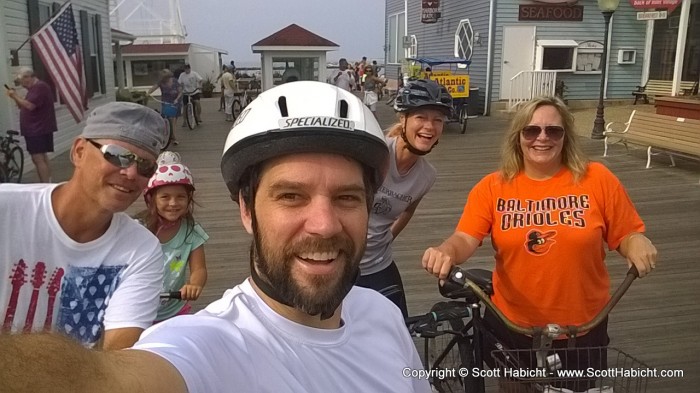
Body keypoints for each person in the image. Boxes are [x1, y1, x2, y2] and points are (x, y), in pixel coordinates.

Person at [0, 81, 430, 393]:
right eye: (291, 196)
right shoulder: (208, 345)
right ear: (246, 210)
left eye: (347, 197)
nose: (324, 223)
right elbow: (107, 381)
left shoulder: (383, 316)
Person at [422, 96, 658, 389]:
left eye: (553, 131)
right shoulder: (492, 187)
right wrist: (446, 251)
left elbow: (626, 233)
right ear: (517, 137)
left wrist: (636, 242)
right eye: (531, 131)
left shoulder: (597, 179)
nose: (542, 138)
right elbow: (465, 238)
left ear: (566, 136)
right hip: (512, 325)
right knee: (514, 388)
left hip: (583, 328)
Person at [0, 101, 168, 350]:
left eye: (145, 166)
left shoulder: (140, 249)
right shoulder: (6, 209)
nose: (131, 173)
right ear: (79, 151)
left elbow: (117, 355)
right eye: (118, 155)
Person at [356, 79, 452, 318]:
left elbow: (408, 210)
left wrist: (389, 237)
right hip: (341, 264)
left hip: (378, 263)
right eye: (421, 117)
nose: (429, 126)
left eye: (438, 120)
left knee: (398, 329)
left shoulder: (427, 175)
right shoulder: (374, 154)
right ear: (403, 119)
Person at [135, 151, 209, 322]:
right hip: (138, 309)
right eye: (165, 197)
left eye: (180, 197)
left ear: (189, 199)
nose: (173, 203)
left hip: (174, 309)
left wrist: (194, 284)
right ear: (151, 199)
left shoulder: (191, 231)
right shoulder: (138, 229)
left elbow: (199, 268)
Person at [5, 67, 57, 182]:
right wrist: (15, 97)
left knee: (37, 158)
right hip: (37, 128)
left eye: (22, 81)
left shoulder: (40, 87)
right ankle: (48, 182)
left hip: (37, 129)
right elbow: (23, 105)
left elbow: (30, 106)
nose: (22, 85)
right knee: (42, 156)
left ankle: (44, 186)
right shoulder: (34, 89)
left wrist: (14, 95)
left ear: (28, 77)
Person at [148, 69, 182, 145]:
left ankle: (174, 137)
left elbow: (180, 91)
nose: (166, 79)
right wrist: (148, 93)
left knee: (173, 121)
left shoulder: (175, 81)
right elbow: (153, 88)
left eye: (167, 77)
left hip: (175, 103)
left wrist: (177, 99)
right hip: (165, 102)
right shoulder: (161, 82)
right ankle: (167, 136)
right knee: (165, 120)